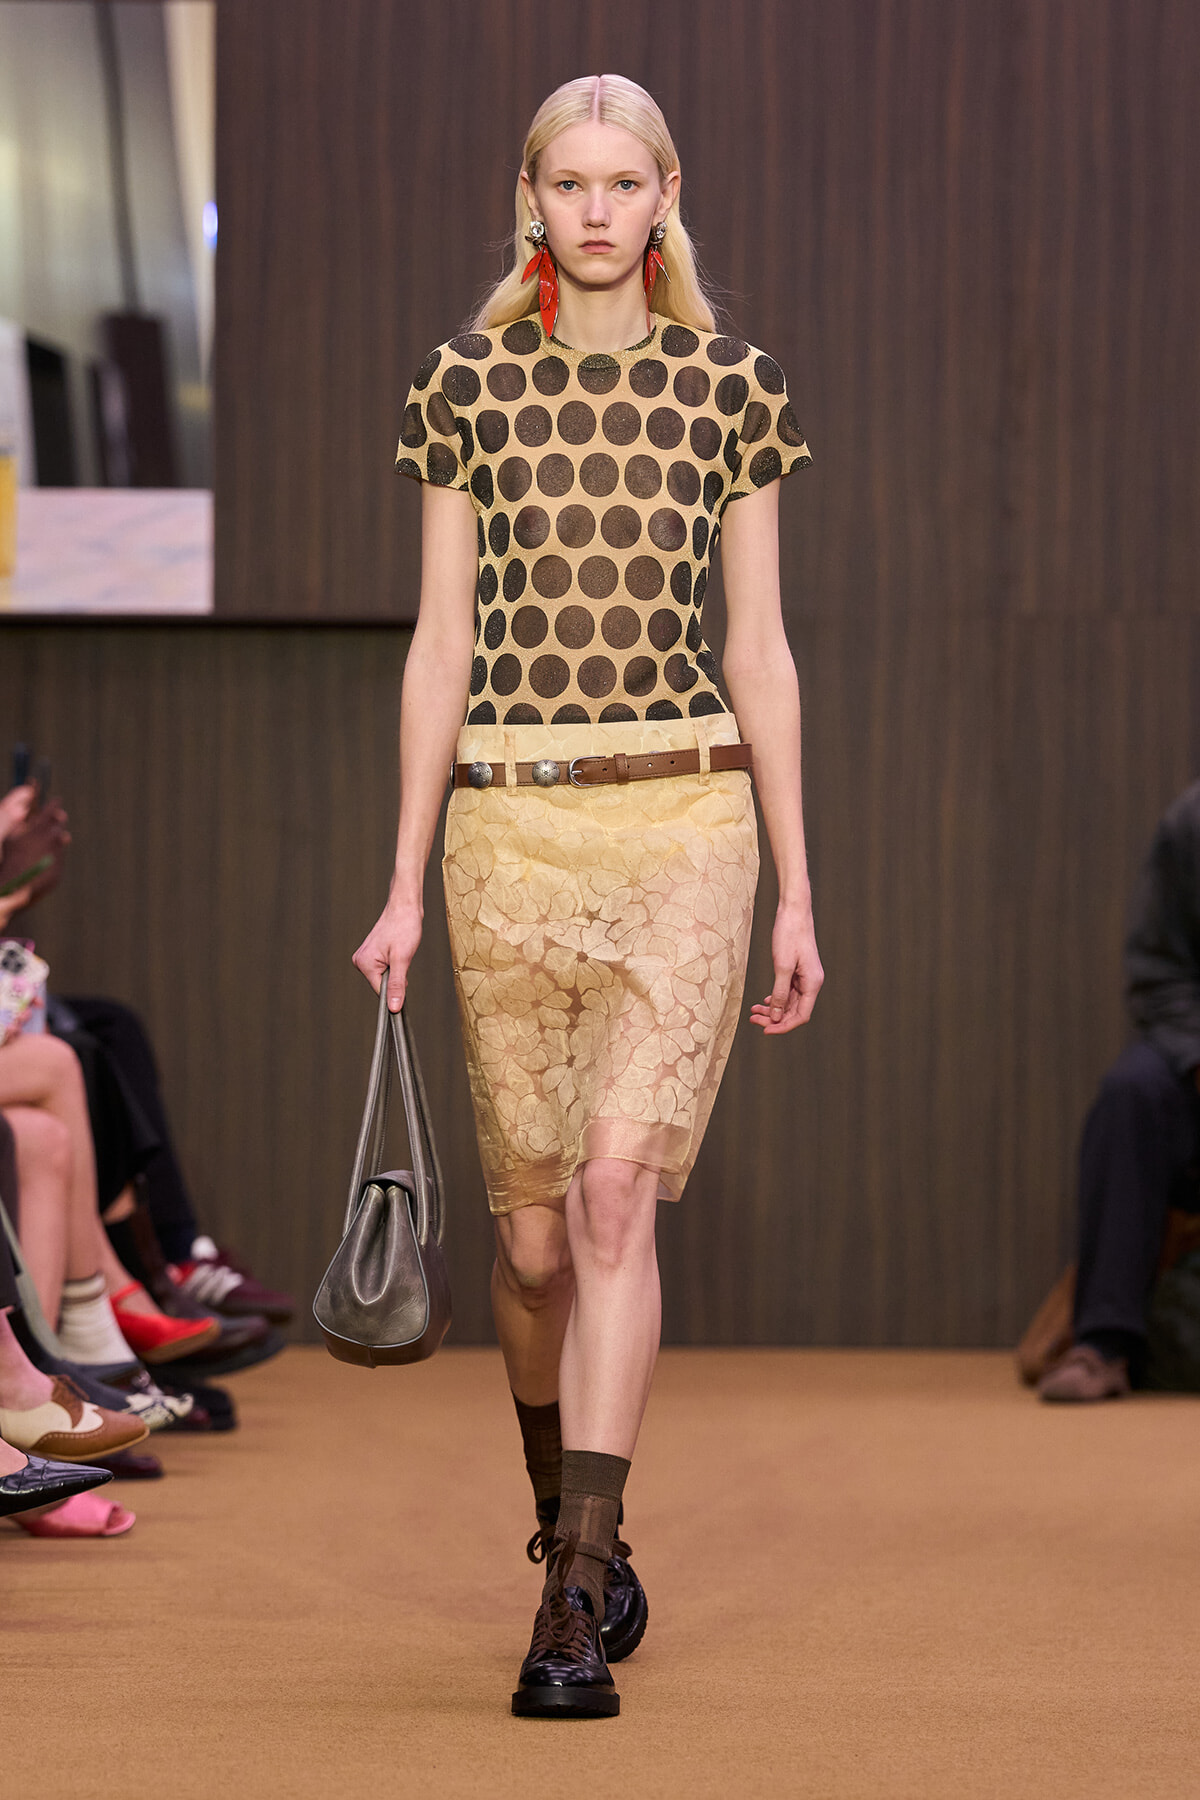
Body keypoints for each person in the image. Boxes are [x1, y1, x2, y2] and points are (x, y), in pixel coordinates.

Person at [354, 73, 822, 1718]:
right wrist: (403, 881)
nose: (600, 210)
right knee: (536, 1245)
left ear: (667, 194)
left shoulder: (733, 388)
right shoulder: (465, 385)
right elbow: (439, 645)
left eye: (627, 183)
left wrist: (797, 891)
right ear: (532, 199)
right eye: (572, 184)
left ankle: (572, 1590)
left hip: (686, 818)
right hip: (507, 831)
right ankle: (562, 1513)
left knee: (619, 1198)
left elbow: (761, 648)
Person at [1039, 779, 1200, 1402]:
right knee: (1131, 1094)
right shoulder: (1190, 822)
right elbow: (1159, 975)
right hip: (1196, 1065)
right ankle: (1105, 1345)